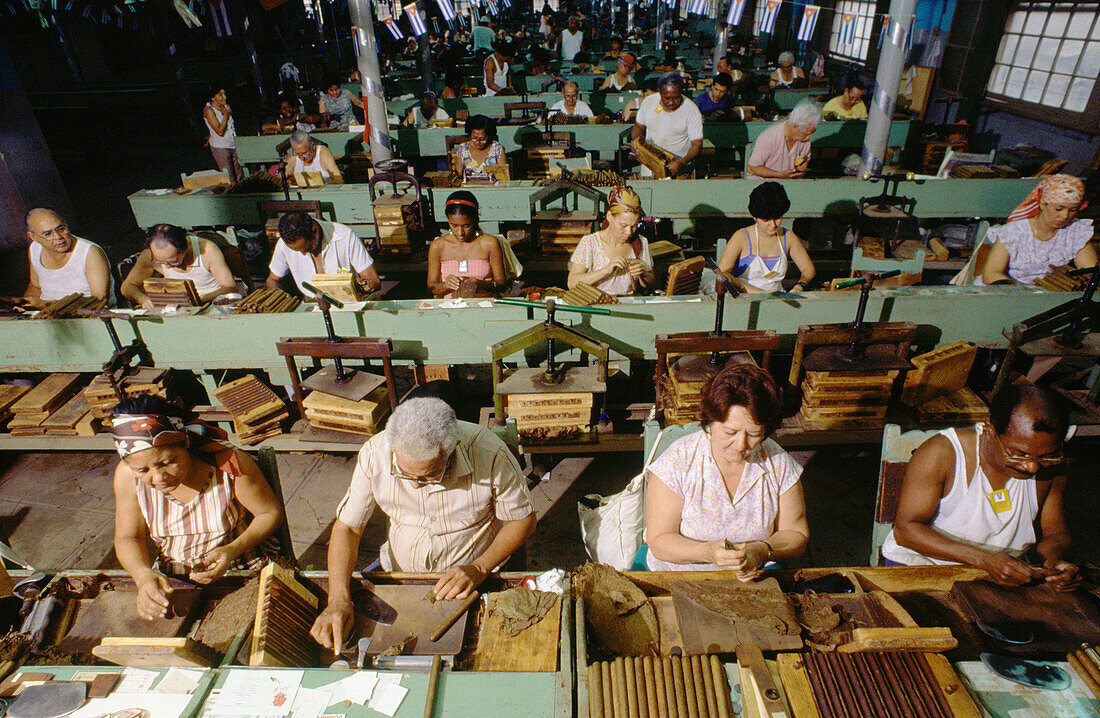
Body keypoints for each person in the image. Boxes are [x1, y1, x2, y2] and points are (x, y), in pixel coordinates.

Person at [308, 397, 536, 649]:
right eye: (404, 473)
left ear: (452, 449)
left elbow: (522, 520)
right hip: (400, 573)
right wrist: (338, 599)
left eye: (429, 474)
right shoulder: (375, 453)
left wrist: (479, 568)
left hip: (474, 577)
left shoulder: (489, 453)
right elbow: (348, 528)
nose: (414, 484)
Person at [882, 385, 1080, 591]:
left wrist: (1055, 562)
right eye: (1019, 453)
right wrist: (984, 560)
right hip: (921, 566)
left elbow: (1055, 532)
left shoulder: (1051, 469)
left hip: (997, 577)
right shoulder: (944, 453)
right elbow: (906, 531)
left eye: (1046, 455)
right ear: (990, 430)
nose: (1032, 466)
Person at [111, 396, 284, 620]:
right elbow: (128, 537)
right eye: (143, 470)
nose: (159, 477)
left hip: (242, 568)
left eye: (167, 462)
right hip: (174, 578)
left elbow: (270, 513)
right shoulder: (127, 477)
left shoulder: (228, 465)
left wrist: (232, 550)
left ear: (186, 443)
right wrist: (143, 575)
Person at [645, 364, 809, 574]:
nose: (741, 445)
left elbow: (796, 533)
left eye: (753, 434)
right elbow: (659, 539)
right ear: (710, 421)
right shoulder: (678, 462)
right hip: (680, 572)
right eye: (730, 432)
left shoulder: (778, 463)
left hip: (753, 573)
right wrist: (707, 552)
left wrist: (761, 550)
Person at [981, 174, 1096, 286]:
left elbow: (1091, 272)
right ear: (1042, 204)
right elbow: (991, 273)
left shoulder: (1075, 231)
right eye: (1058, 209)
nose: (1065, 216)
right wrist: (1021, 292)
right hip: (1012, 293)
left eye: (1073, 210)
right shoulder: (1014, 231)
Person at [717, 182, 816, 293]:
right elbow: (723, 273)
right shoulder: (741, 237)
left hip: (777, 299)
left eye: (777, 218)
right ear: (755, 217)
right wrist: (757, 292)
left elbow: (808, 269)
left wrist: (799, 285)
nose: (773, 225)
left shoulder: (787, 237)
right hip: (743, 297)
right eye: (766, 220)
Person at [266, 211, 380, 297]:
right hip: (311, 303)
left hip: (347, 301)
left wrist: (360, 286)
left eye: (308, 248)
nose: (304, 254)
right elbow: (272, 280)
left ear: (314, 230)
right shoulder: (283, 244)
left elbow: (373, 280)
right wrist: (280, 297)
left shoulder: (344, 235)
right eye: (298, 251)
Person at [120, 224, 237, 308]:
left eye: (173, 261)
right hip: (177, 307)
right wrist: (142, 299)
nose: (168, 267)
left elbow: (230, 287)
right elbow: (127, 287)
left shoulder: (206, 250)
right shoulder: (151, 256)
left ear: (184, 249)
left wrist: (196, 299)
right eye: (161, 262)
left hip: (212, 303)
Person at [568, 186, 654, 295]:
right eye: (623, 225)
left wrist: (644, 273)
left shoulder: (641, 242)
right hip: (597, 305)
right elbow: (572, 283)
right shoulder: (590, 243)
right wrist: (606, 270)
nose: (629, 232)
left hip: (628, 305)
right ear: (609, 216)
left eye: (634, 226)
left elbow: (650, 280)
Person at [427, 191, 507, 298]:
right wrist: (445, 285)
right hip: (452, 308)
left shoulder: (489, 244)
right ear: (447, 219)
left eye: (466, 225)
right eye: (454, 225)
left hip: (485, 306)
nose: (460, 233)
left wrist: (480, 284)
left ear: (474, 220)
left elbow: (502, 285)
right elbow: (431, 288)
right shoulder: (438, 246)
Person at [24, 208, 111, 304]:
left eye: (61, 229)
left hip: (85, 313)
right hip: (47, 313)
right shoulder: (35, 248)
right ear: (33, 237)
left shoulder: (90, 253)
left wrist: (46, 305)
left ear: (66, 224)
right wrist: (24, 306)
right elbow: (36, 286)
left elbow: (99, 301)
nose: (58, 237)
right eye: (48, 234)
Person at [631, 72, 704, 178]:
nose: (671, 102)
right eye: (667, 98)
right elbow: (638, 127)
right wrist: (636, 144)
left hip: (678, 170)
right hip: (650, 168)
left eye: (676, 98)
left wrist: (681, 162)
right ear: (660, 92)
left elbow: (697, 144)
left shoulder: (691, 110)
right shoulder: (649, 102)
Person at [746, 101, 821, 179]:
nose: (808, 137)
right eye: (806, 133)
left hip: (788, 183)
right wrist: (779, 175)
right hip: (763, 184)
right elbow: (752, 168)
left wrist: (798, 178)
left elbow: (803, 162)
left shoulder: (803, 139)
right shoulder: (769, 137)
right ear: (796, 126)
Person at [203, 85, 243, 184]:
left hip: (233, 144)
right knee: (230, 179)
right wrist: (225, 115)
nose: (224, 97)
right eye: (220, 95)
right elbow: (219, 131)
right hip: (221, 147)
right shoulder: (209, 110)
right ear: (213, 97)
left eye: (224, 94)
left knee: (240, 176)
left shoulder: (225, 106)